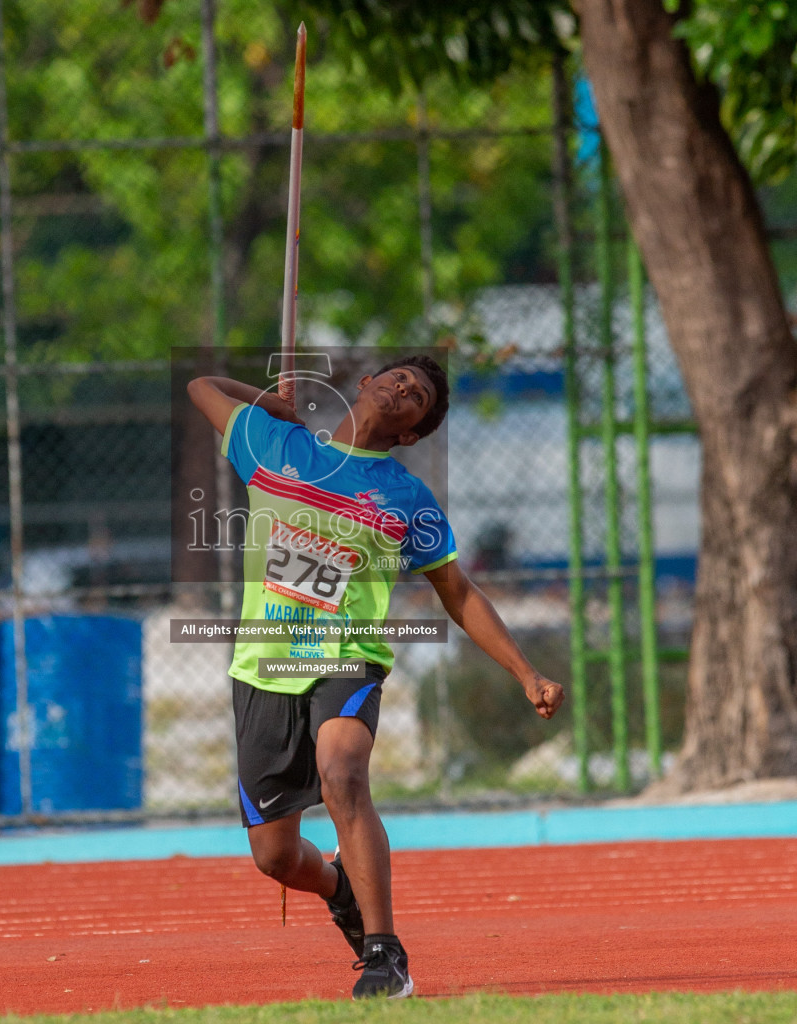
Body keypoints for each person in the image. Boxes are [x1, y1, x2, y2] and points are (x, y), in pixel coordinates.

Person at [187, 355, 564, 1000]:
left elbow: (458, 591)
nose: (401, 388)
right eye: (395, 378)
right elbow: (201, 386)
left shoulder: (405, 497)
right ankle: (341, 890)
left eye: (417, 396)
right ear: (364, 384)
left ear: (412, 432)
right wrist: (270, 404)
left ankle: (385, 956)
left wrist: (525, 672)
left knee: (343, 772)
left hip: (347, 658)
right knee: (274, 858)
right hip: (264, 667)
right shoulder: (273, 443)